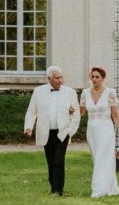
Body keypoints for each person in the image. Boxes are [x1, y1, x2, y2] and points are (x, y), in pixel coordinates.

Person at [24, 66, 80, 196]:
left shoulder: (70, 92)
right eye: (57, 78)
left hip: (63, 132)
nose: (60, 80)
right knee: (51, 161)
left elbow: (76, 114)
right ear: (49, 78)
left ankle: (58, 191)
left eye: (61, 77)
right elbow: (32, 111)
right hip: (46, 132)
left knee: (59, 161)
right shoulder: (38, 91)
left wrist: (70, 132)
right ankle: (53, 188)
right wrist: (28, 127)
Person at [79, 66, 119, 198]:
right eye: (92, 77)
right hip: (92, 129)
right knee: (98, 159)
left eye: (97, 77)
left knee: (102, 158)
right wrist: (72, 111)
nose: (94, 79)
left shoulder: (110, 92)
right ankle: (111, 188)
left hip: (106, 128)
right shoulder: (85, 93)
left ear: (103, 78)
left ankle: (98, 190)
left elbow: (115, 115)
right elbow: (82, 113)